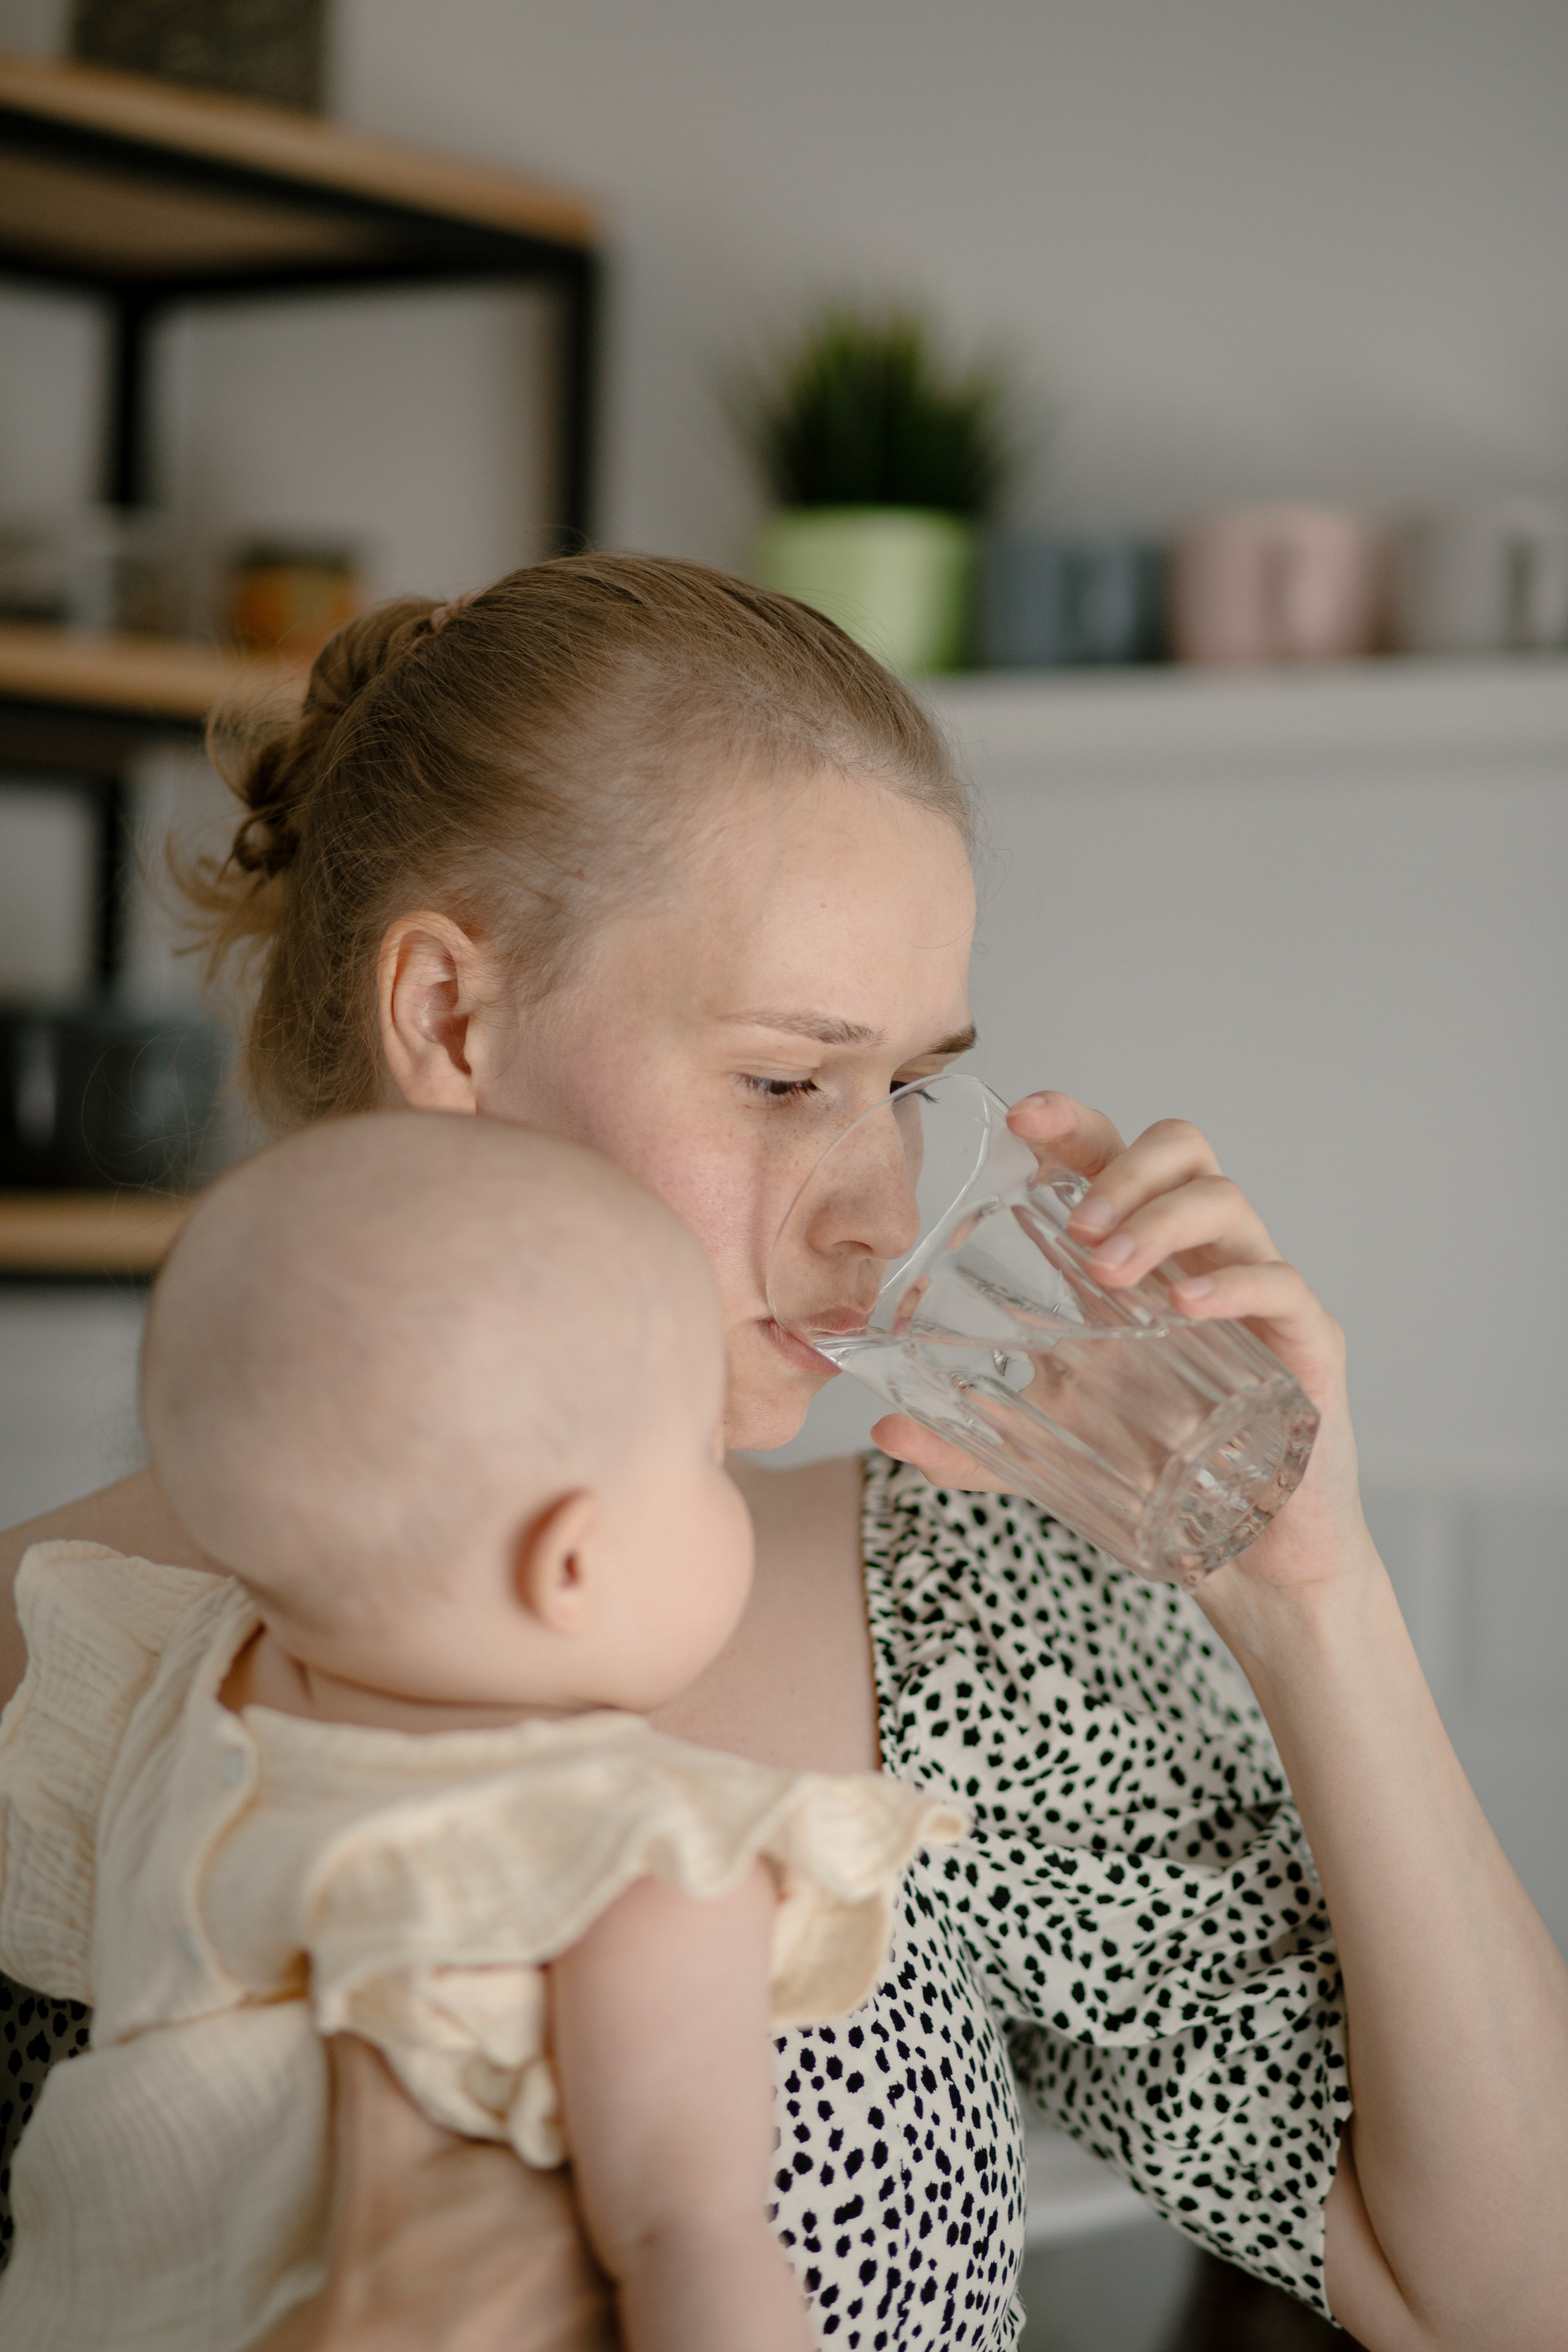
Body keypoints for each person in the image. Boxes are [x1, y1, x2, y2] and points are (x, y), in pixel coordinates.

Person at [1, 554, 1564, 2352]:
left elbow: (1507, 2301)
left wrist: (1315, 1598)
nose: (884, 1215)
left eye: (906, 1087)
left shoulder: (966, 1613)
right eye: (782, 1083)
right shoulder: (41, 1674)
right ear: (447, 1018)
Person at [0, 1110, 960, 2352]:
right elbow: (685, 2232)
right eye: (697, 1460)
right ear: (571, 1563)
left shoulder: (166, 1695)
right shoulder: (638, 1850)